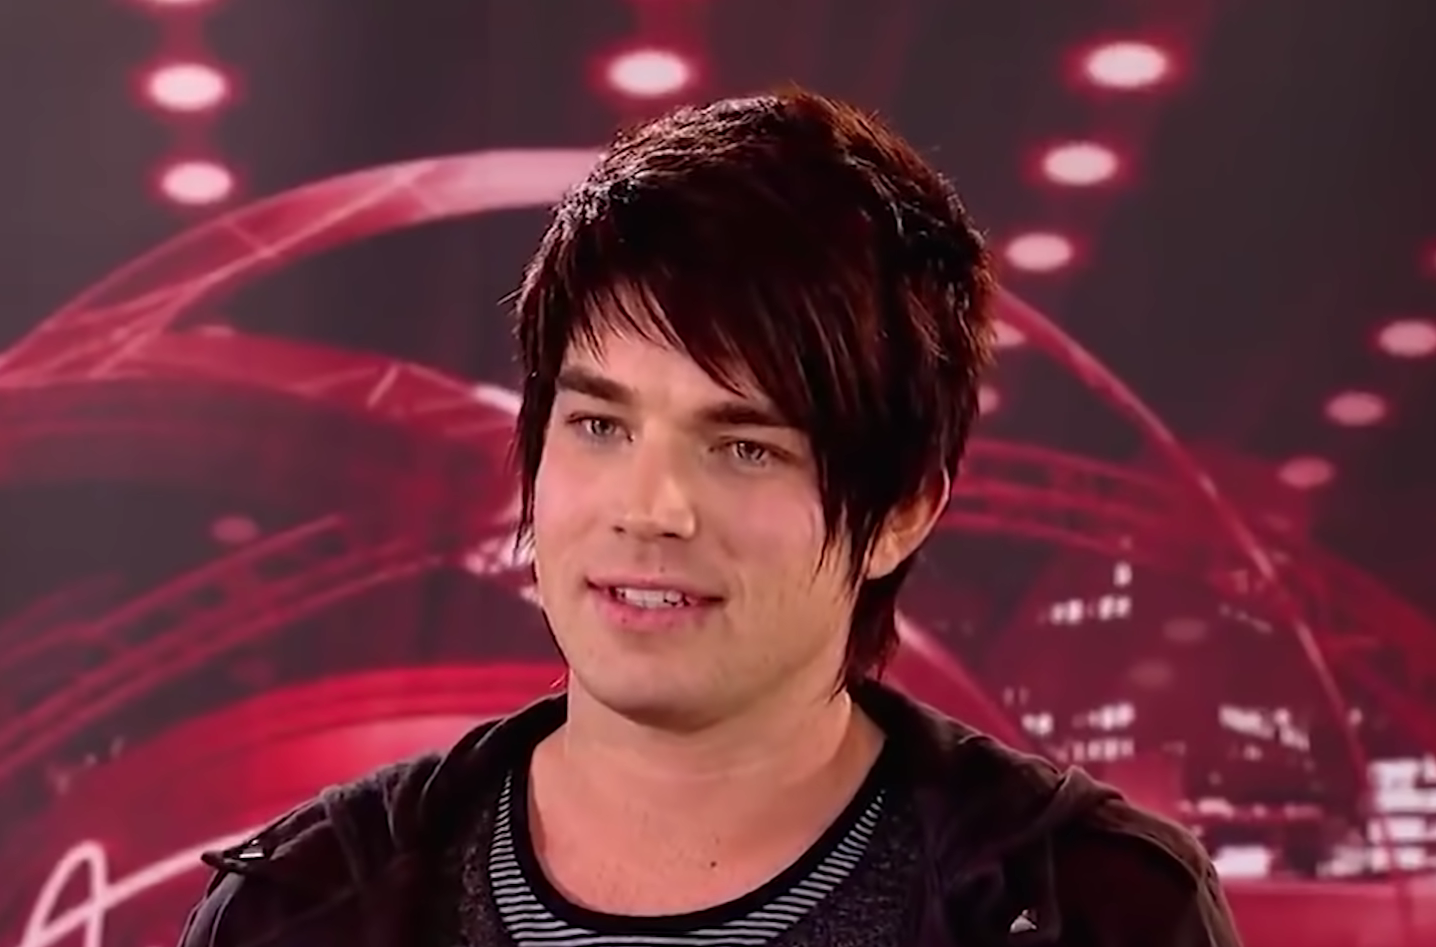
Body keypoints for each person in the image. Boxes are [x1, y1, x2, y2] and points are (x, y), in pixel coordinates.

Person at [176, 88, 1243, 947]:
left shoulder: (1097, 910)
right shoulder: (304, 909)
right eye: (600, 425)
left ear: (903, 508)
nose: (650, 508)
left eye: (744, 446)